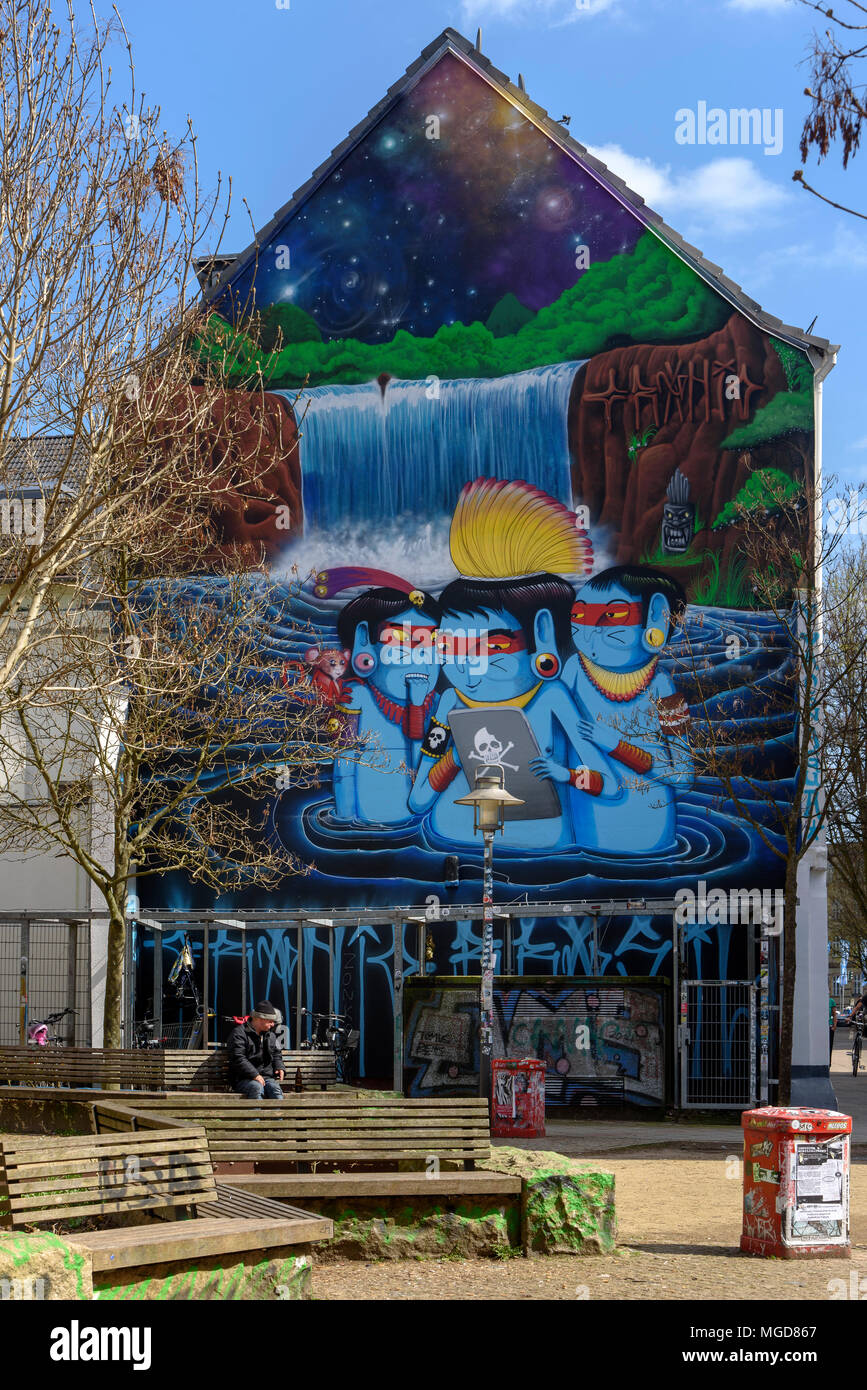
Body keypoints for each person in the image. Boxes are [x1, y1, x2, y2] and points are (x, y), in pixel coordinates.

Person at [226, 1001, 285, 1098]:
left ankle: (278, 1114)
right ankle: (256, 1113)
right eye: (270, 1021)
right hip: (243, 1078)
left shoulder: (271, 1035)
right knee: (257, 1087)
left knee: (275, 1089)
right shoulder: (239, 1033)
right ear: (259, 1019)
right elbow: (238, 1058)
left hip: (266, 1077)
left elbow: (276, 1054)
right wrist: (255, 1075)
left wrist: (279, 1067)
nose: (273, 1024)